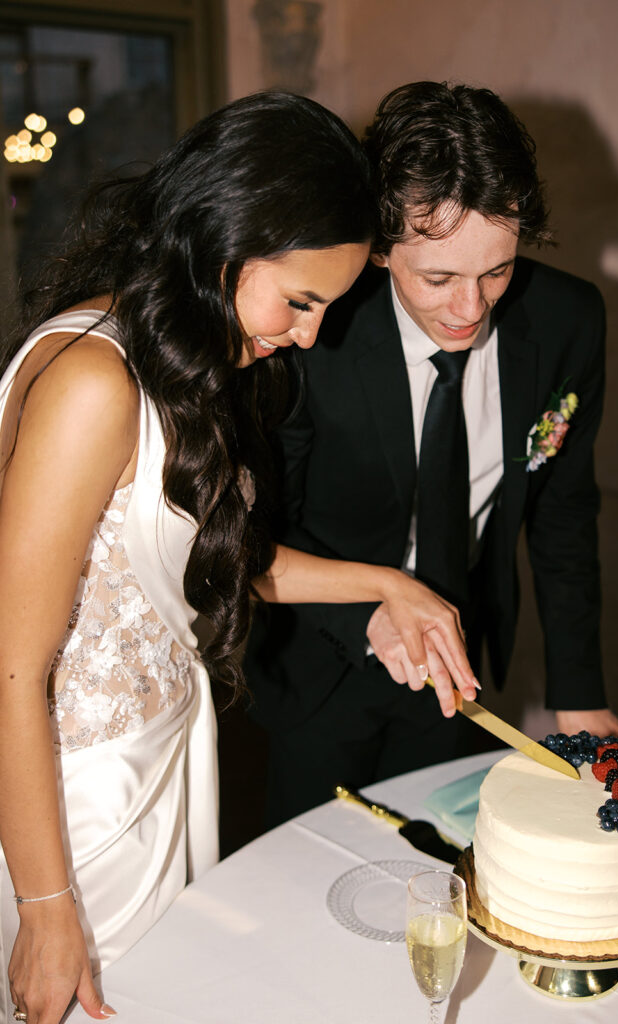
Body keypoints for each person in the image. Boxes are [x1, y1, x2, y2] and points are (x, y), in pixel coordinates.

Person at [0, 91, 477, 1024]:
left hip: (170, 770)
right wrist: (44, 905)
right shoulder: (94, 381)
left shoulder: (181, 353)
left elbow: (208, 562)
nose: (307, 336)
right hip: (75, 812)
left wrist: (387, 585)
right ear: (227, 239)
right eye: (301, 302)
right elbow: (10, 668)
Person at [243, 81, 618, 828]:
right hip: (321, 665)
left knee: (441, 869)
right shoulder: (313, 330)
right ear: (382, 249)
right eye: (439, 277)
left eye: (497, 271)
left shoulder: (567, 321)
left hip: (462, 662)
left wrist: (577, 689)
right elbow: (258, 528)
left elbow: (564, 513)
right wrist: (370, 613)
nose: (471, 308)